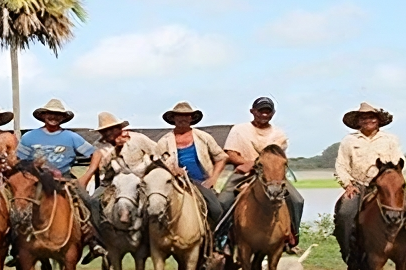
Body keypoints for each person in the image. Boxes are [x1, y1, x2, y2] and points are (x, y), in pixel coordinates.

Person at [16, 98, 104, 263]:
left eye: (57, 115)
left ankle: (94, 241)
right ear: (43, 115)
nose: (53, 117)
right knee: (19, 206)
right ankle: (17, 246)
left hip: (64, 179)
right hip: (36, 180)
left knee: (89, 202)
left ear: (63, 118)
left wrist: (87, 175)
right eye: (50, 114)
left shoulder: (71, 137)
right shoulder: (29, 137)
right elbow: (18, 161)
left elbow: (96, 154)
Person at [219, 97, 304, 252]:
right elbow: (231, 153)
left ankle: (291, 237)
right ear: (253, 112)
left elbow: (278, 158)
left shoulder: (279, 134)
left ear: (272, 113)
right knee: (224, 200)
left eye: (268, 111)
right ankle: (222, 238)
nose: (264, 114)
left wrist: (264, 165)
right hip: (244, 172)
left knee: (297, 200)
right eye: (261, 111)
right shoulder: (239, 130)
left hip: (271, 176)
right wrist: (249, 163)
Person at [333, 102, 405, 263]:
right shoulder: (349, 141)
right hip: (358, 185)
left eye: (371, 117)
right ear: (358, 122)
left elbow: (399, 162)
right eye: (363, 118)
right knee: (344, 213)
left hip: (384, 186)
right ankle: (347, 252)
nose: (368, 120)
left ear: (378, 120)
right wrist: (347, 185)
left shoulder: (390, 140)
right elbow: (341, 165)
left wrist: (390, 181)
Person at [77, 112, 157, 244]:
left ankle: (160, 237)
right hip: (111, 183)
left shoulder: (137, 138)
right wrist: (116, 148)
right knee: (93, 203)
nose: (108, 133)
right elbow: (102, 167)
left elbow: (156, 151)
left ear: (119, 128)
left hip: (140, 180)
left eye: (111, 129)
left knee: (158, 200)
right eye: (104, 131)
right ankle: (98, 240)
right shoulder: (100, 146)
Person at [155, 101, 226, 234]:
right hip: (175, 184)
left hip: (201, 182)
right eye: (179, 116)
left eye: (187, 116)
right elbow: (157, 163)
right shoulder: (164, 141)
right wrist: (172, 170)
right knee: (155, 210)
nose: (183, 119)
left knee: (217, 210)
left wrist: (213, 178)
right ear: (173, 118)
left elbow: (221, 157)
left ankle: (216, 241)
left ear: (191, 118)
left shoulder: (203, 137)